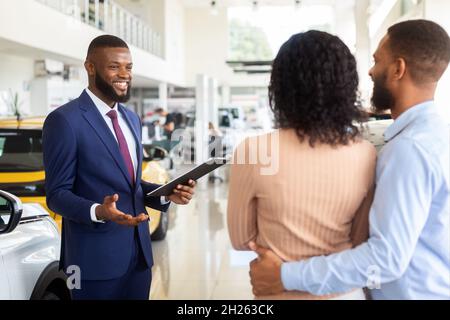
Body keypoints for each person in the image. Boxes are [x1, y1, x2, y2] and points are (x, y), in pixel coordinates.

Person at [249, 19, 450, 300]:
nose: (370, 70)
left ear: (398, 69)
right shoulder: (437, 136)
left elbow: (386, 259)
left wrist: (284, 275)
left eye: (377, 61)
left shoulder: (410, 149)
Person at [42, 35, 196, 300]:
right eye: (114, 66)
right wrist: (99, 211)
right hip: (92, 263)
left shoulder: (131, 119)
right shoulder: (64, 121)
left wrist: (165, 193)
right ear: (90, 67)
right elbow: (57, 195)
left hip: (139, 258)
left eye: (129, 67)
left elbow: (130, 186)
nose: (124, 74)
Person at [227, 31, 376, 299]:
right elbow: (358, 239)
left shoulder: (254, 150)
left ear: (280, 87)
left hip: (276, 291)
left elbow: (241, 240)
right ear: (346, 86)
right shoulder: (366, 153)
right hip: (342, 292)